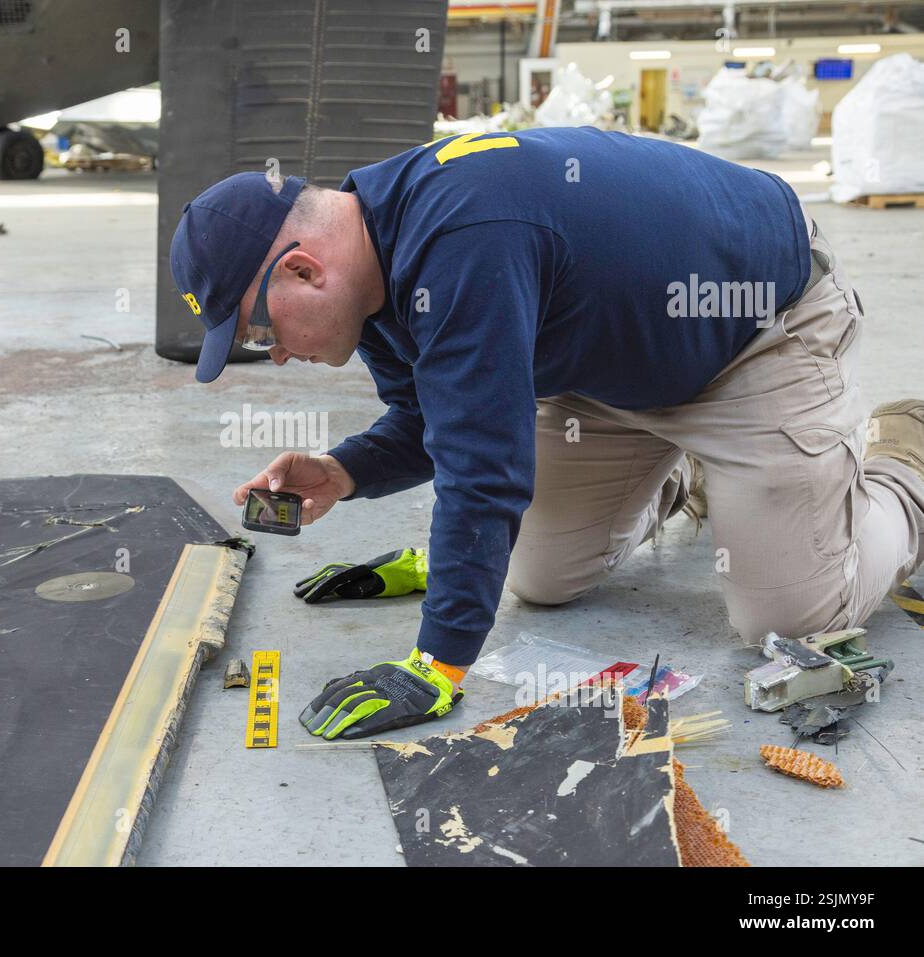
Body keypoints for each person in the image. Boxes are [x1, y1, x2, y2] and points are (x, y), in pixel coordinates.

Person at [169, 127, 924, 740]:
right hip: (610, 369)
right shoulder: (369, 273)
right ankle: (683, 483)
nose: (273, 351)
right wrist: (342, 471)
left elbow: (483, 469)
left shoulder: (462, 236)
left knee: (787, 615)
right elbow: (431, 419)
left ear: (302, 270)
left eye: (260, 328)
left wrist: (437, 664)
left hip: (754, 333)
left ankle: (905, 463)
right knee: (541, 578)